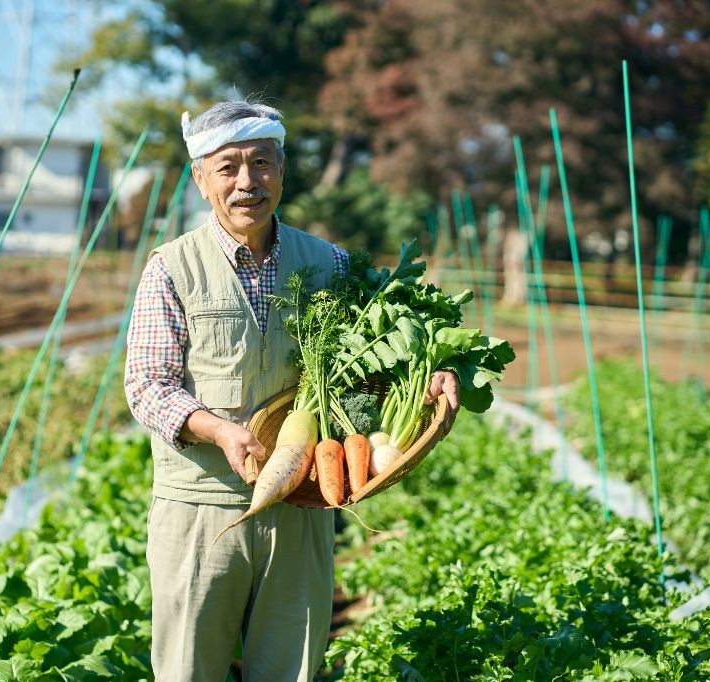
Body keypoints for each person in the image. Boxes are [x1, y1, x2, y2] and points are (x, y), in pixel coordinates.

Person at [124, 98, 461, 681]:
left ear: (282, 171)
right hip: (200, 506)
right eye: (227, 167)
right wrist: (220, 430)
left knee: (291, 669)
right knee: (187, 670)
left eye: (261, 163)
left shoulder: (330, 263)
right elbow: (147, 385)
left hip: (305, 501)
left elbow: (385, 353)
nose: (246, 182)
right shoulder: (171, 267)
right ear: (202, 180)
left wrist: (424, 373)